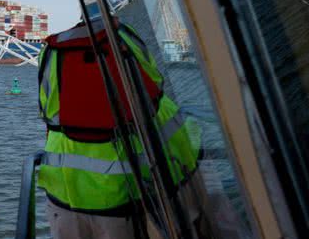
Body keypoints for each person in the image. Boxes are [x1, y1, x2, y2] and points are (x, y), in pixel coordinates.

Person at [36, 17, 212, 239]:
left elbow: (48, 113)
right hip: (161, 184)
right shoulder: (125, 35)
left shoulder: (51, 52)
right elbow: (155, 82)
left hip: (75, 197)